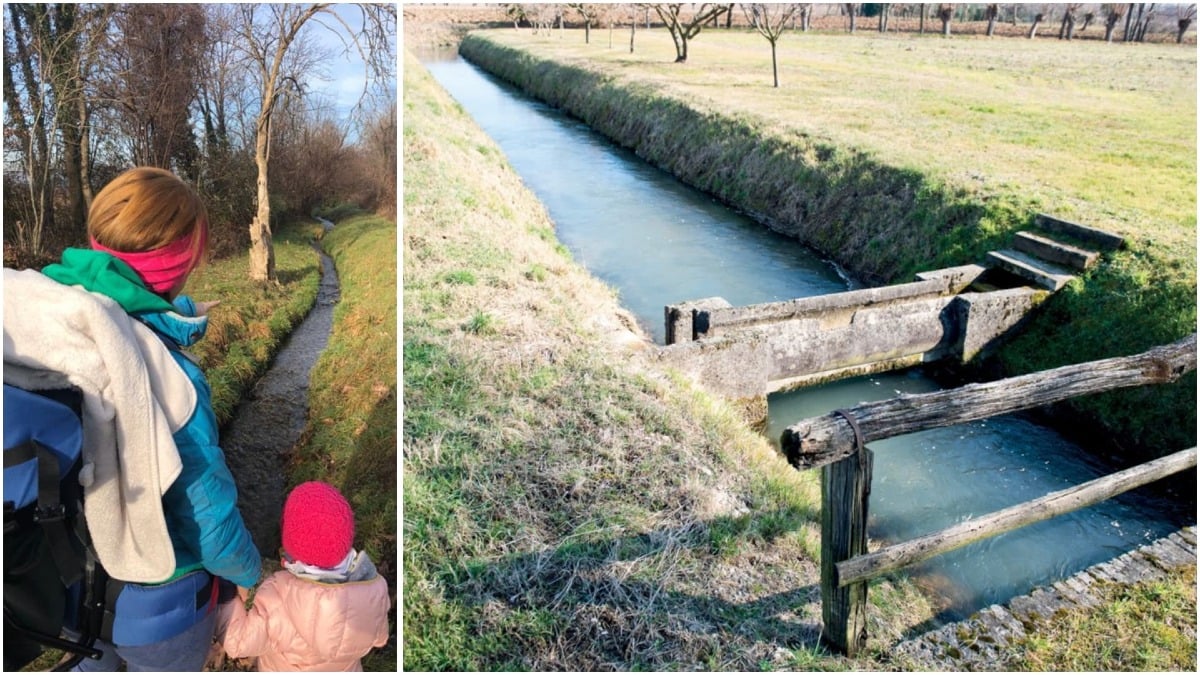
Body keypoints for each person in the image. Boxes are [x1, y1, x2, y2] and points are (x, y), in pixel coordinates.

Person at [39, 166, 262, 671]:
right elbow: (208, 520)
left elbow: (126, 307)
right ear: (180, 265)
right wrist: (252, 572)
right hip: (162, 605)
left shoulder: (58, 315)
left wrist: (177, 314)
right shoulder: (169, 376)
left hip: (73, 578)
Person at [218, 481, 391, 671]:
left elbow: (238, 642)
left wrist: (227, 598)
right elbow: (380, 638)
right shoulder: (374, 591)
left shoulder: (278, 598)